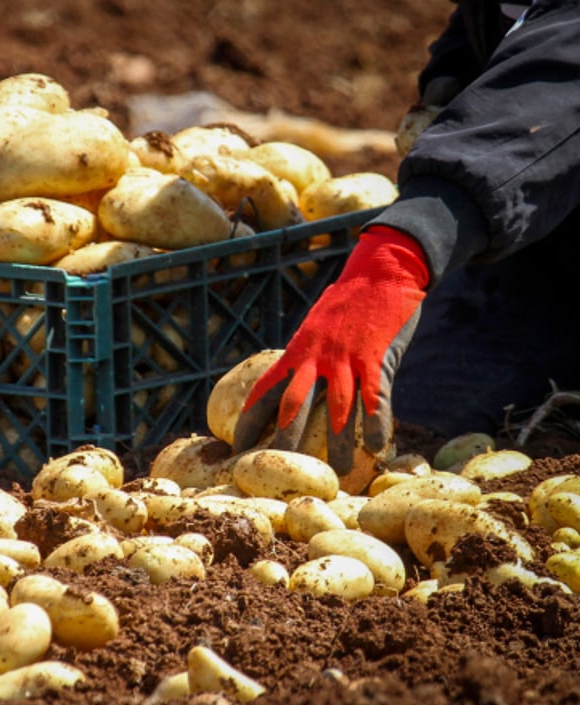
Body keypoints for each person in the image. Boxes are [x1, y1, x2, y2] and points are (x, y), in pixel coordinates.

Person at [233, 0, 580, 473]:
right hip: (537, 240)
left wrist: (397, 256)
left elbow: (563, 76)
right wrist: (457, 68)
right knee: (410, 419)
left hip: (534, 191)